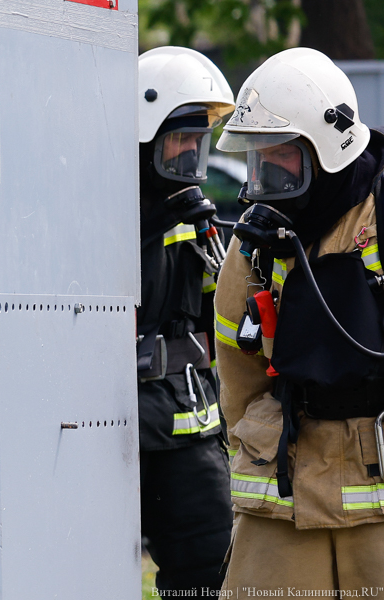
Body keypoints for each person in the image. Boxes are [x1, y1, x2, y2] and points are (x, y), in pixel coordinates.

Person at [214, 47, 384, 594]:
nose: (265, 173)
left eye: (281, 154)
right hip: (282, 488)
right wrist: (255, 446)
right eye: (257, 156)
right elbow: (236, 370)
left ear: (327, 147)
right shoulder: (257, 240)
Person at [136, 46, 235, 597]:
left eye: (198, 141)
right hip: (102, 434)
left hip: (188, 433)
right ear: (147, 136)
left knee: (208, 578)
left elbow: (216, 322)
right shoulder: (91, 214)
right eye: (181, 139)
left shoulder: (195, 220)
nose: (192, 155)